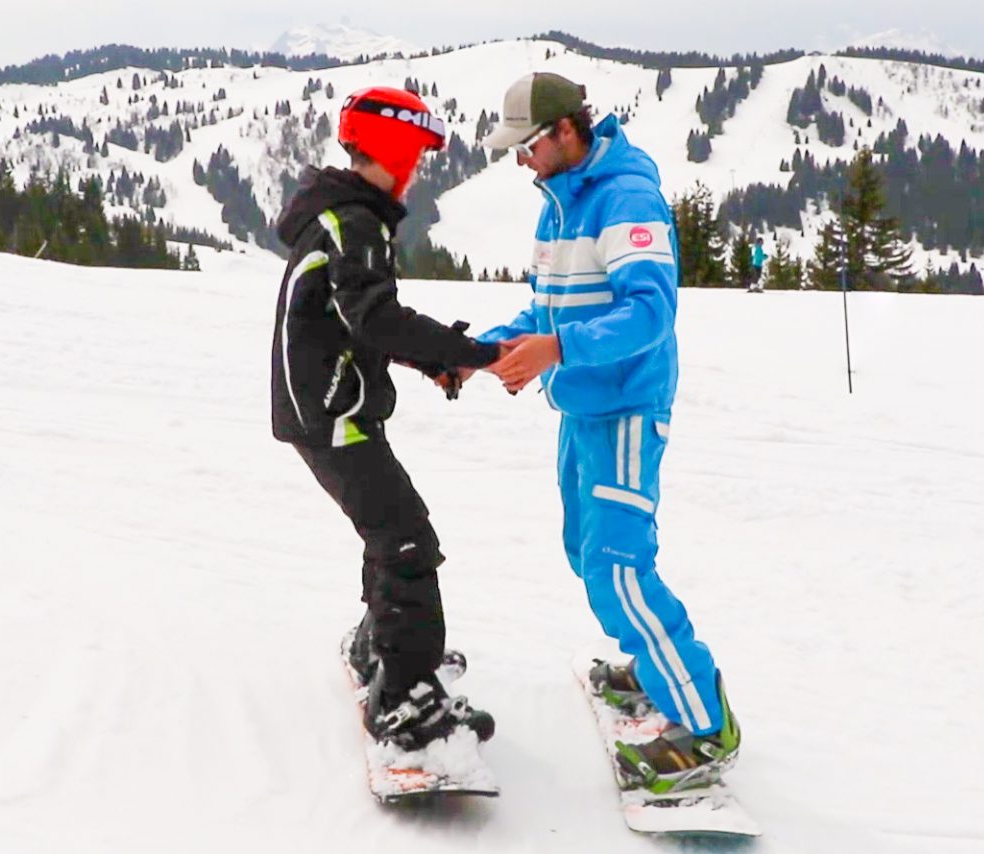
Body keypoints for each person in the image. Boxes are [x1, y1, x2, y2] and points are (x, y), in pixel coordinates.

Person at [476, 72, 740, 793]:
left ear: (566, 131)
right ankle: (661, 666)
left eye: (527, 145)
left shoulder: (624, 199)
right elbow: (546, 314)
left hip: (625, 403)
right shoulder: (560, 206)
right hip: (581, 405)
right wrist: (478, 353)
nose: (521, 161)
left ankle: (703, 727)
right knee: (584, 552)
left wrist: (557, 351)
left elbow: (649, 314)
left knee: (618, 567)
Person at [271, 86, 497, 751]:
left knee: (389, 530)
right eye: (418, 153)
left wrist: (432, 364)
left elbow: (353, 322)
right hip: (332, 415)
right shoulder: (354, 223)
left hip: (327, 409)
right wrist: (470, 354)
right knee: (407, 540)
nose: (420, 168)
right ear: (395, 148)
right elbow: (376, 318)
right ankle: (404, 698)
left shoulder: (344, 214)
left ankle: (381, 650)